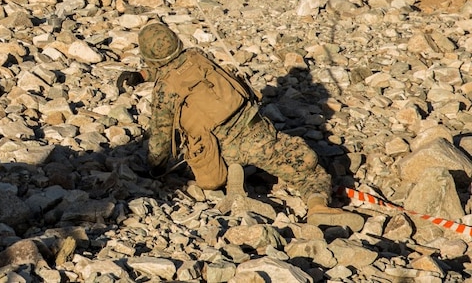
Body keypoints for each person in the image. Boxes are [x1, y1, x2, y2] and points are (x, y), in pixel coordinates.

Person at [137, 21, 362, 228]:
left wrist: (154, 170)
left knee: (219, 165)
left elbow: (160, 138)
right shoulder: (198, 56)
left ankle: (234, 173)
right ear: (177, 41)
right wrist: (144, 75)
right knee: (309, 168)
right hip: (255, 134)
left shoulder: (164, 90)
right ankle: (317, 207)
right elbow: (177, 67)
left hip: (215, 153)